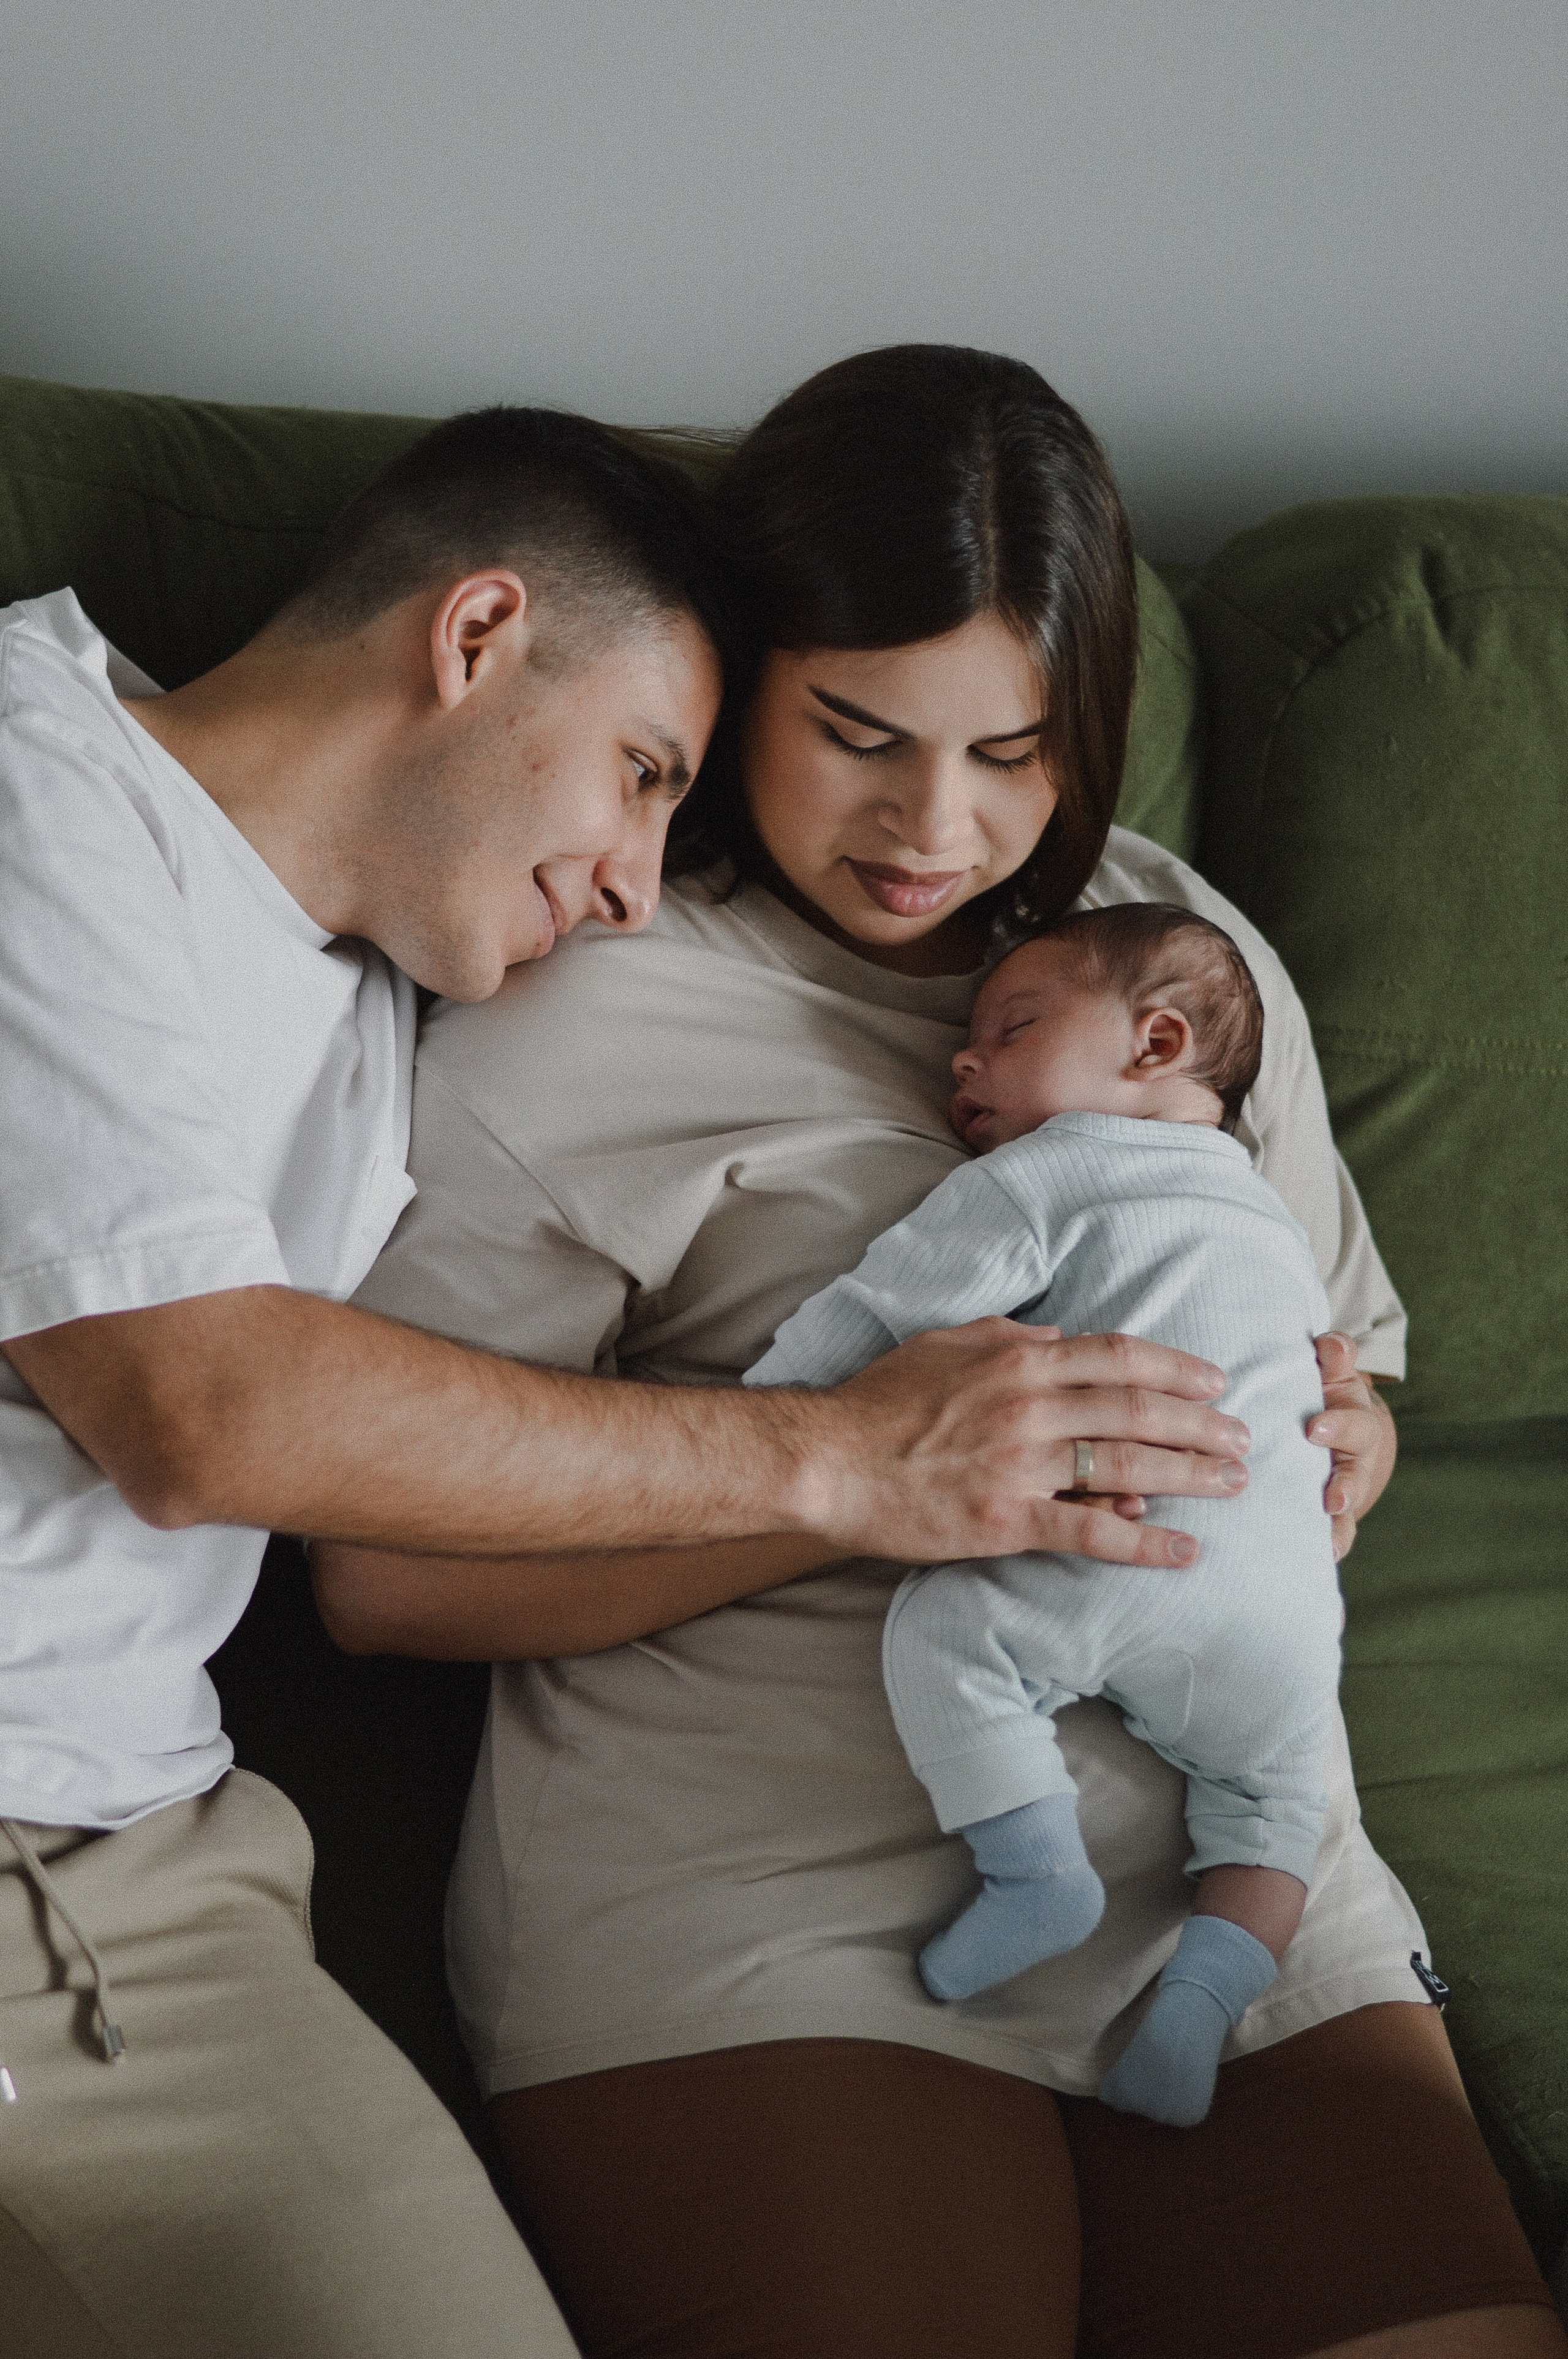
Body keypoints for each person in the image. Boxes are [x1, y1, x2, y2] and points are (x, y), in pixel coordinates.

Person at [315, 351, 1562, 2357]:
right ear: (739, 669)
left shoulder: (1183, 960)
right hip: (760, 1886)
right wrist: (858, 1471)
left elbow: (1352, 1369)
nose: (936, 827)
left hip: (1230, 1857)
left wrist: (1348, 1447)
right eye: (860, 735)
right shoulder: (586, 996)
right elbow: (378, 1575)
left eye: (1014, 754)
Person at [0, 404, 1249, 2359]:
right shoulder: (36, 779)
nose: (636, 883)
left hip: (156, 1874)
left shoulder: (366, 997)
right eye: (644, 772)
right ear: (477, 635)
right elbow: (205, 1410)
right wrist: (843, 1458)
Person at [747, 902, 1345, 2129]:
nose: (963, 1060)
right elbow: (1326, 1379)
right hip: (1289, 1607)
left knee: (949, 1632)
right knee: (1280, 1811)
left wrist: (761, 1414)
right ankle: (1191, 2015)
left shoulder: (1050, 1168)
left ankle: (1035, 1877)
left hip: (1120, 1547)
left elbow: (886, 1306)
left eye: (1010, 1027)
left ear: (1155, 1043)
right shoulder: (1275, 1224)